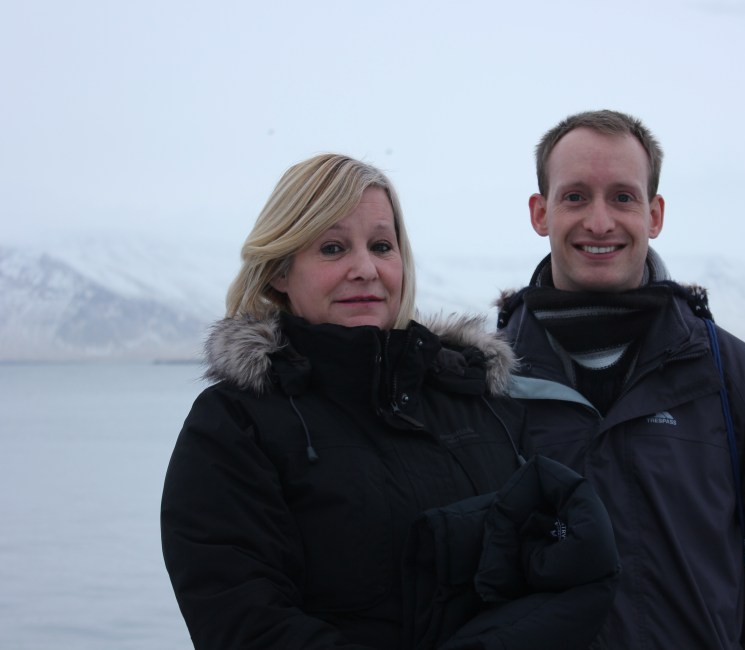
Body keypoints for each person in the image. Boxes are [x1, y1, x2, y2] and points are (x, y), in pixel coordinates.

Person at [160, 154, 619, 649]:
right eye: (333, 248)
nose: (365, 269)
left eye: (382, 246)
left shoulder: (480, 401)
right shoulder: (235, 423)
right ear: (279, 271)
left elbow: (562, 571)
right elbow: (243, 621)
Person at [496, 110, 745, 649]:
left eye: (623, 197)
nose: (599, 222)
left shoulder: (733, 379)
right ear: (540, 213)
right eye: (575, 197)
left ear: (654, 214)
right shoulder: (486, 383)